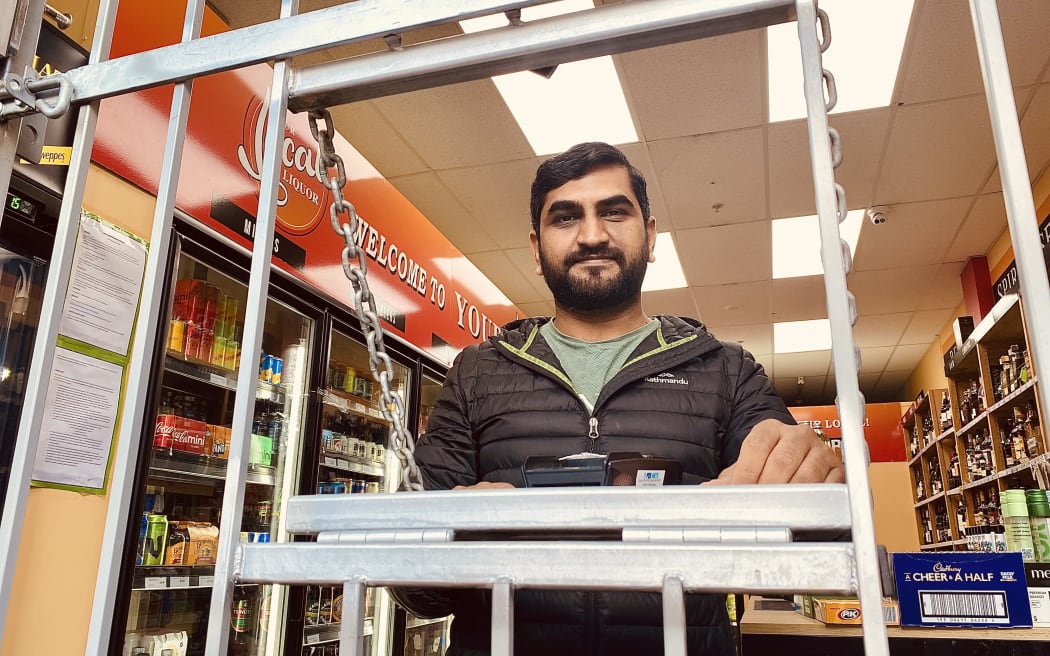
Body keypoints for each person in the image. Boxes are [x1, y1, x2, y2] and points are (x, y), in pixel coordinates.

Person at [405, 142, 845, 655]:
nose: (592, 235)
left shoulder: (726, 371)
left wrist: (818, 488)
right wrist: (467, 532)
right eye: (565, 217)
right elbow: (417, 590)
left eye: (614, 212)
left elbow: (816, 553)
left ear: (651, 235)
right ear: (535, 246)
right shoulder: (478, 373)